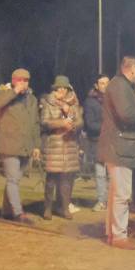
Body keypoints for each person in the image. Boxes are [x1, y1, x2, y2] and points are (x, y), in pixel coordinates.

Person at [98, 56, 135, 249]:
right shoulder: (120, 86)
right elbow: (126, 113)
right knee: (121, 194)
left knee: (116, 192)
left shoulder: (120, 86)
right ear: (132, 69)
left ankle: (113, 232)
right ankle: (118, 236)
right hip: (120, 146)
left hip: (118, 145)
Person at [0, 68, 41, 225]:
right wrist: (13, 92)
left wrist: (37, 145)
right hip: (9, 144)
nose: (23, 83)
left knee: (15, 180)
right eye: (20, 80)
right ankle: (19, 214)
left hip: (26, 146)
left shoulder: (32, 99)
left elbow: (35, 124)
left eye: (26, 80)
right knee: (12, 180)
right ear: (13, 81)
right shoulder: (3, 94)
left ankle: (6, 211)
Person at [40, 76, 82, 221]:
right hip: (54, 145)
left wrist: (71, 119)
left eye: (64, 88)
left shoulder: (73, 104)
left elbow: (80, 122)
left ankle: (64, 208)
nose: (62, 90)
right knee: (51, 179)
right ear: (55, 89)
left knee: (66, 180)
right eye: (59, 88)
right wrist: (61, 123)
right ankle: (47, 208)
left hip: (70, 145)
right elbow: (44, 122)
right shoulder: (48, 103)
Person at [84, 76, 109, 212]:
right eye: (102, 83)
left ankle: (113, 201)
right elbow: (90, 124)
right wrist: (107, 127)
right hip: (97, 142)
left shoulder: (114, 99)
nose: (105, 85)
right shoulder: (90, 102)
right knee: (100, 173)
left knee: (114, 174)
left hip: (113, 142)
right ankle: (101, 201)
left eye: (107, 82)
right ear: (96, 85)